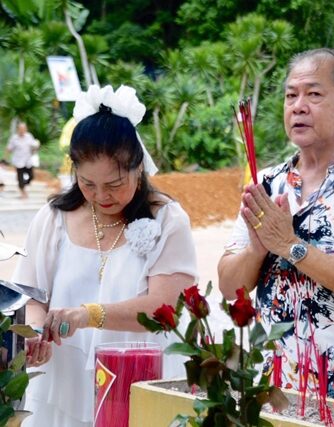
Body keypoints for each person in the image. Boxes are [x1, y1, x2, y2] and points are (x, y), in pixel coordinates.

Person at [218, 48, 334, 398]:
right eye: (291, 95)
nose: (298, 106)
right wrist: (257, 251)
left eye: (314, 94)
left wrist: (290, 246)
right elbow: (230, 288)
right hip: (266, 389)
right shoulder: (267, 183)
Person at [12, 84, 198, 427]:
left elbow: (164, 309)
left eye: (114, 184)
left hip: (140, 380)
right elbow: (31, 297)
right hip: (63, 382)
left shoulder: (168, 220)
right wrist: (37, 332)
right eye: (87, 184)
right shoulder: (53, 218)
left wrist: (88, 315)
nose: (101, 196)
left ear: (138, 167)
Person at [6, 121, 40, 199]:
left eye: (23, 129)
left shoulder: (29, 136)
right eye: (20, 129)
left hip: (28, 161)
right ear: (18, 129)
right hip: (18, 161)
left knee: (31, 177)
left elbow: (33, 147)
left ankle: (23, 184)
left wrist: (36, 147)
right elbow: (9, 149)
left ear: (26, 129)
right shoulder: (14, 138)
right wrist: (6, 158)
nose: (22, 130)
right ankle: (23, 192)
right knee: (20, 178)